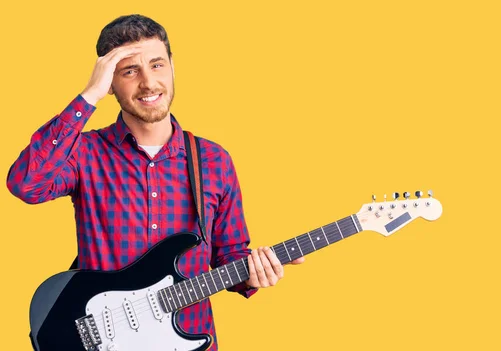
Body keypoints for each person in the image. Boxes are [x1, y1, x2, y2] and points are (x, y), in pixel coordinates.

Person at [6, 14, 303, 351]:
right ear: (110, 82)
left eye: (157, 65)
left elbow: (228, 256)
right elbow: (26, 184)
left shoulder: (214, 160)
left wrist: (254, 272)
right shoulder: (85, 153)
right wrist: (88, 96)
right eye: (129, 71)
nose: (148, 83)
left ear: (172, 66)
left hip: (190, 339)